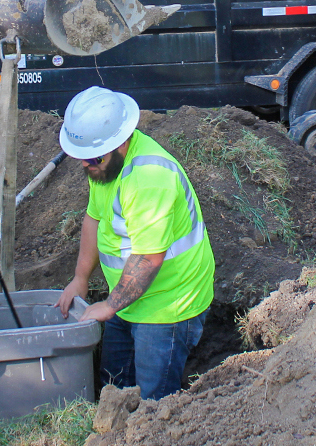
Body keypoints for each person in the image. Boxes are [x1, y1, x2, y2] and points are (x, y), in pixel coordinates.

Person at [55, 86, 215, 401]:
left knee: (154, 402)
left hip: (168, 305)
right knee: (114, 386)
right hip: (130, 298)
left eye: (93, 158)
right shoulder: (102, 165)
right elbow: (93, 219)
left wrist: (110, 305)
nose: (86, 166)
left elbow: (148, 258)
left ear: (120, 142)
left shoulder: (147, 179)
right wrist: (80, 278)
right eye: (81, 158)